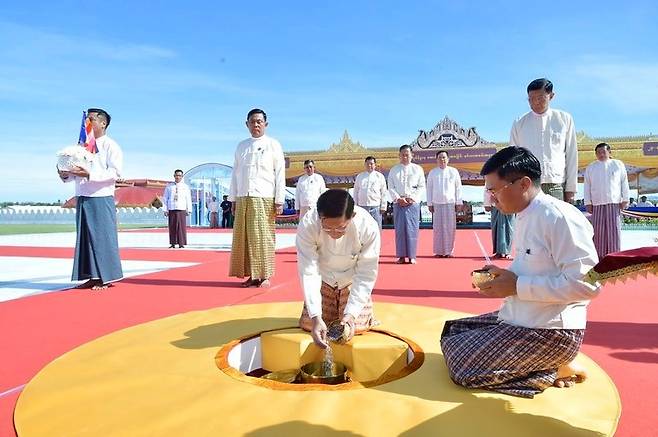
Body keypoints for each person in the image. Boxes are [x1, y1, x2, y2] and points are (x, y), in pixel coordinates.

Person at [441, 146, 600, 398]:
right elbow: (531, 266)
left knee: (461, 366)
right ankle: (539, 365)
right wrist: (501, 277)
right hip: (523, 316)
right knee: (452, 332)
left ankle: (551, 369)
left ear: (523, 184)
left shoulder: (560, 218)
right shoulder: (525, 214)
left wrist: (516, 286)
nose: (491, 198)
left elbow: (589, 284)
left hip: (550, 332)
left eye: (494, 190)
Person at [297, 189, 380, 348]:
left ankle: (351, 313)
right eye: (327, 228)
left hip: (351, 281)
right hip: (324, 279)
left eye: (341, 228)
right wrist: (315, 316)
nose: (334, 233)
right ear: (319, 217)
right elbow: (308, 270)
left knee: (355, 327)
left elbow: (366, 273)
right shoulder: (308, 224)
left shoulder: (368, 226)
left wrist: (350, 315)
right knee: (309, 325)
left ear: (352, 216)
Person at [57, 108, 123, 290]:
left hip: (100, 196)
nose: (88, 123)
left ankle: (106, 277)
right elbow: (74, 174)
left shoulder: (111, 145)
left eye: (92, 120)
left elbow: (115, 173)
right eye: (86, 120)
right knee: (85, 238)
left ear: (103, 123)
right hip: (82, 195)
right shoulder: (81, 147)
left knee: (102, 237)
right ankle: (91, 275)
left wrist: (90, 173)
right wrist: (64, 173)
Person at [228, 108, 285, 288]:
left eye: (259, 121)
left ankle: (265, 275)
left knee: (263, 236)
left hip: (264, 196)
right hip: (244, 196)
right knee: (245, 238)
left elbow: (280, 174)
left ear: (265, 124)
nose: (256, 125)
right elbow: (235, 174)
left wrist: (279, 199)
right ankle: (252, 275)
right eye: (252, 121)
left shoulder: (273, 145)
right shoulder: (241, 146)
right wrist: (234, 199)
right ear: (247, 124)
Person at [510, 78, 578, 203]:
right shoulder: (519, 123)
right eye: (531, 99)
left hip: (555, 184)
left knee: (555, 221)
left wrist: (571, 189)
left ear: (551, 96)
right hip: (527, 185)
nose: (535, 102)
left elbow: (571, 155)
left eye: (540, 98)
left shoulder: (564, 119)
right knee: (529, 222)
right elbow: (513, 158)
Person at [583, 143, 630, 258]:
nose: (601, 154)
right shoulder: (591, 167)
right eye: (598, 152)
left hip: (614, 203)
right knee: (598, 232)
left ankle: (615, 256)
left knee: (614, 231)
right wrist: (588, 203)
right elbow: (587, 186)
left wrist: (625, 199)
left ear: (609, 152)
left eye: (603, 152)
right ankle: (599, 258)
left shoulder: (618, 165)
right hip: (597, 204)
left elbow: (624, 182)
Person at [388, 145, 426, 264]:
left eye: (407, 154)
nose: (405, 157)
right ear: (399, 156)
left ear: (412, 155)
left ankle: (412, 256)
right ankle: (401, 256)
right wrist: (398, 198)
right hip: (398, 203)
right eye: (402, 154)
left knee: (412, 229)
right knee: (399, 230)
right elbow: (391, 186)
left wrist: (412, 198)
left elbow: (421, 186)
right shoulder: (394, 170)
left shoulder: (418, 169)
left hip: (412, 204)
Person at [426, 151, 463, 257]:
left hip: (450, 203)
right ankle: (438, 251)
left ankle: (449, 251)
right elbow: (429, 188)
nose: (442, 159)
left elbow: (458, 187)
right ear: (436, 159)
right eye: (440, 157)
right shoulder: (433, 172)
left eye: (444, 157)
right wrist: (429, 203)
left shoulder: (453, 171)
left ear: (448, 159)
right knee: (438, 229)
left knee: (449, 228)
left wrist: (458, 202)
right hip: (436, 203)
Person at [353, 156, 388, 229]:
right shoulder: (360, 176)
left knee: (376, 227)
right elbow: (356, 192)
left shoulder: (379, 176)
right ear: (365, 165)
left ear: (375, 165)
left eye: (371, 164)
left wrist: (383, 206)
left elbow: (384, 192)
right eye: (367, 164)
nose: (369, 165)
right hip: (362, 206)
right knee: (363, 227)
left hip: (375, 206)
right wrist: (355, 206)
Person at [163, 169, 192, 248]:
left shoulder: (185, 187)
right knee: (172, 226)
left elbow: (188, 198)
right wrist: (165, 209)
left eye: (179, 175)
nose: (178, 177)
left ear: (182, 177)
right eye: (176, 175)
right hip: (172, 208)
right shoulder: (169, 186)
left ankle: (181, 243)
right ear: (174, 176)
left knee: (181, 226)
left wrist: (189, 209)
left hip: (181, 208)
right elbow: (165, 198)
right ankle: (172, 243)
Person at [483, 191, 515, 259]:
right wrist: (487, 203)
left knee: (508, 228)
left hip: (509, 203)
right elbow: (487, 189)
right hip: (495, 204)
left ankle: (507, 252)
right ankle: (498, 251)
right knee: (496, 227)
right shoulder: (491, 179)